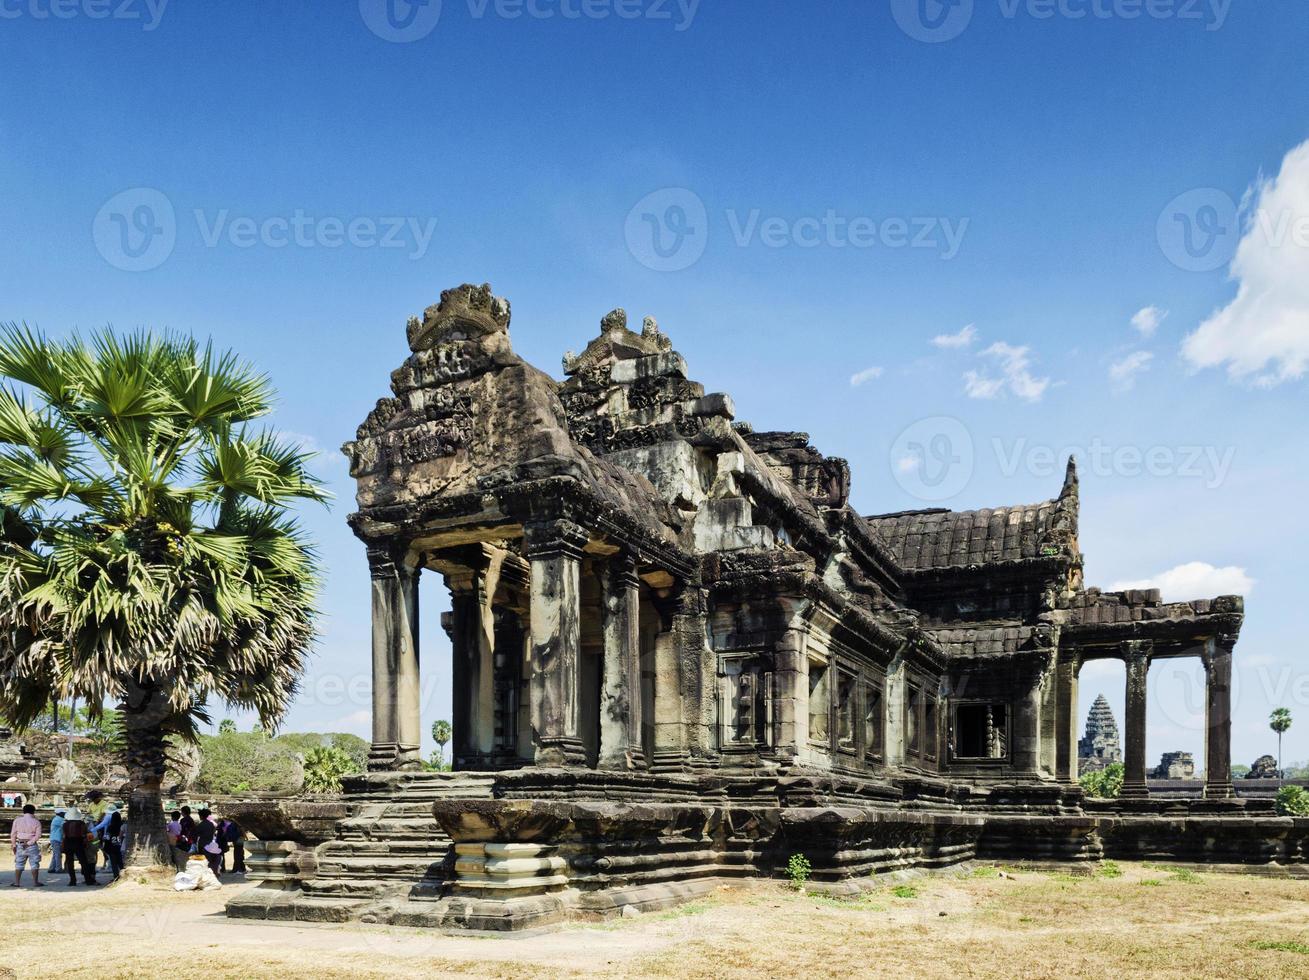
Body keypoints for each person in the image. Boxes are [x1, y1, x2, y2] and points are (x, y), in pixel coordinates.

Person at [9, 803, 43, 888]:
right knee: (34, 863)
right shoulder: (36, 821)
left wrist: (13, 845)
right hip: (32, 844)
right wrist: (29, 843)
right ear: (33, 812)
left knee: (19, 863)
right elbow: (38, 835)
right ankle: (35, 882)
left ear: (23, 811)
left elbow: (13, 834)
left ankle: (17, 882)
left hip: (20, 844)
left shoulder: (17, 820)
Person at [61, 806, 96, 886]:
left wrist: (63, 846)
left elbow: (64, 836)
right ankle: (88, 880)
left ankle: (72, 881)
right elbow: (85, 834)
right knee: (84, 862)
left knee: (70, 863)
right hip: (79, 843)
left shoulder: (65, 824)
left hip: (68, 843)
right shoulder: (81, 824)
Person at [100, 807, 125, 881]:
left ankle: (116, 877)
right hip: (120, 846)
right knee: (121, 862)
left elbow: (107, 837)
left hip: (111, 846)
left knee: (114, 863)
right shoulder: (122, 825)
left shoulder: (110, 827)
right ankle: (123, 876)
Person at [195, 809, 222, 876]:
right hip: (210, 844)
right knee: (210, 860)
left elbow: (196, 833)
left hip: (202, 844)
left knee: (203, 861)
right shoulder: (211, 824)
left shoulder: (201, 825)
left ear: (201, 816)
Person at [47, 807, 66, 873]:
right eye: (63, 813)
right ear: (60, 813)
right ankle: (58, 869)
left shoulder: (56, 819)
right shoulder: (59, 819)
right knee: (58, 854)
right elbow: (65, 825)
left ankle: (52, 868)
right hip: (57, 838)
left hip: (54, 838)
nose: (64, 814)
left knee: (56, 854)